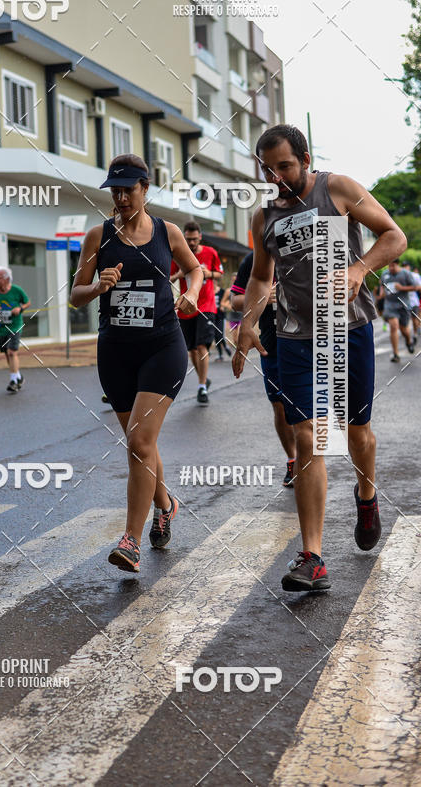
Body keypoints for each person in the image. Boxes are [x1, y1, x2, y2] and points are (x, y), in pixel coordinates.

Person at [232, 124, 406, 593]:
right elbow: (261, 279)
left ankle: (366, 496)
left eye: (284, 166)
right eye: (267, 169)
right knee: (308, 438)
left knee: (357, 433)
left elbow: (394, 237)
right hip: (295, 338)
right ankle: (313, 557)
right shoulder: (264, 217)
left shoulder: (339, 189)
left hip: (347, 329)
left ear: (305, 159)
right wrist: (247, 324)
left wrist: (358, 268)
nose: (277, 177)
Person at [70, 153, 202, 574]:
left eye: (129, 189)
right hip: (116, 350)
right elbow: (75, 293)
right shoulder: (98, 236)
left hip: (163, 346)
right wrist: (97, 286)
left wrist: (193, 293)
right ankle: (166, 504)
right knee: (139, 441)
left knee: (139, 444)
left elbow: (195, 270)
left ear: (146, 189)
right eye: (116, 190)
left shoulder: (168, 231)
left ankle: (130, 540)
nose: (122, 197)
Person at [230, 251, 297, 488]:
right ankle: (293, 459)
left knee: (308, 406)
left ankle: (310, 459)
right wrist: (262, 297)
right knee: (280, 407)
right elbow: (235, 300)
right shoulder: (255, 258)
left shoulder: (310, 248)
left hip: (308, 341)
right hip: (272, 343)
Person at [170, 221, 222, 404]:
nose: (191, 242)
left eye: (193, 239)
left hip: (206, 306)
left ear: (200, 236)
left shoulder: (210, 252)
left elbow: (219, 274)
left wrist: (208, 274)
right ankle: (204, 379)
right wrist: (180, 274)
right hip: (186, 307)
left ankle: (201, 388)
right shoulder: (178, 254)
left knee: (202, 346)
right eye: (188, 239)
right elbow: (170, 278)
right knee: (191, 349)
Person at [0, 267, 31, 393]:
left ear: (6, 279)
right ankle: (18, 377)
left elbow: (27, 302)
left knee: (12, 352)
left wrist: (20, 309)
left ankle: (13, 381)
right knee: (6, 353)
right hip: (1, 328)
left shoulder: (16, 290)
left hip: (15, 326)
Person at [378, 259, 417, 361]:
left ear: (397, 265)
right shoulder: (385, 274)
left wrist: (401, 288)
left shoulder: (405, 274)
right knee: (394, 326)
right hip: (390, 305)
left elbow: (415, 287)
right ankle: (396, 354)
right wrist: (381, 294)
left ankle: (409, 341)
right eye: (389, 266)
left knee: (404, 330)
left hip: (403, 305)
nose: (391, 268)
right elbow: (382, 286)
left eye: (393, 266)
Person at [403, 261, 421, 341]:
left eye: (406, 266)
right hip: (404, 302)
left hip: (414, 301)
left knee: (414, 319)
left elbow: (419, 287)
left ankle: (415, 334)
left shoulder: (415, 276)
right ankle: (409, 337)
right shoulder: (401, 276)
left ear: (409, 267)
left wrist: (411, 288)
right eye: (403, 266)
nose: (405, 267)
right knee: (405, 321)